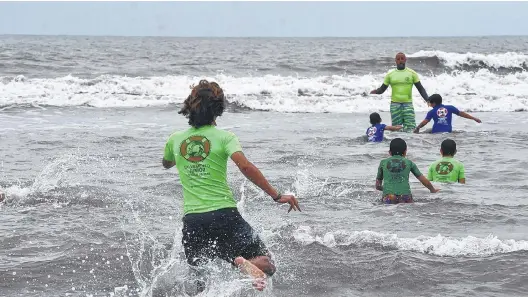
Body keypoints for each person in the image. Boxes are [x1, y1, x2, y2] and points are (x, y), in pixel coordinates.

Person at [162, 79, 301, 293]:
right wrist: (276, 196)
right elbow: (245, 167)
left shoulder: (175, 140)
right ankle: (240, 261)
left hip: (193, 221)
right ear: (219, 109)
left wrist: (181, 156)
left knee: (201, 282)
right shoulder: (226, 138)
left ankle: (234, 264)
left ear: (189, 107)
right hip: (224, 215)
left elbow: (166, 163)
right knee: (266, 263)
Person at [370, 52, 429, 132]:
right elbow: (382, 89)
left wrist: (427, 100)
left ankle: (411, 144)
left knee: (411, 128)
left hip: (408, 104)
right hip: (395, 105)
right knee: (396, 130)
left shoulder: (412, 73)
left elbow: (420, 88)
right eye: (398, 59)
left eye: (402, 58)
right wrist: (375, 92)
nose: (400, 60)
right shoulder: (390, 74)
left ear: (405, 60)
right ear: (395, 61)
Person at [375, 138, 439, 204]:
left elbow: (377, 186)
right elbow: (423, 180)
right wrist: (432, 190)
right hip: (405, 196)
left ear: (390, 152)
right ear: (405, 152)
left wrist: (387, 189)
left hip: (389, 197)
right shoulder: (409, 163)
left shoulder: (383, 163)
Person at [413, 94, 481, 134]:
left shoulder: (431, 112)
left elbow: (425, 122)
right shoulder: (450, 108)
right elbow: (462, 114)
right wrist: (474, 118)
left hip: (435, 132)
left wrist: (418, 127)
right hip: (448, 132)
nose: (429, 104)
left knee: (424, 133)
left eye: (430, 103)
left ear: (434, 103)